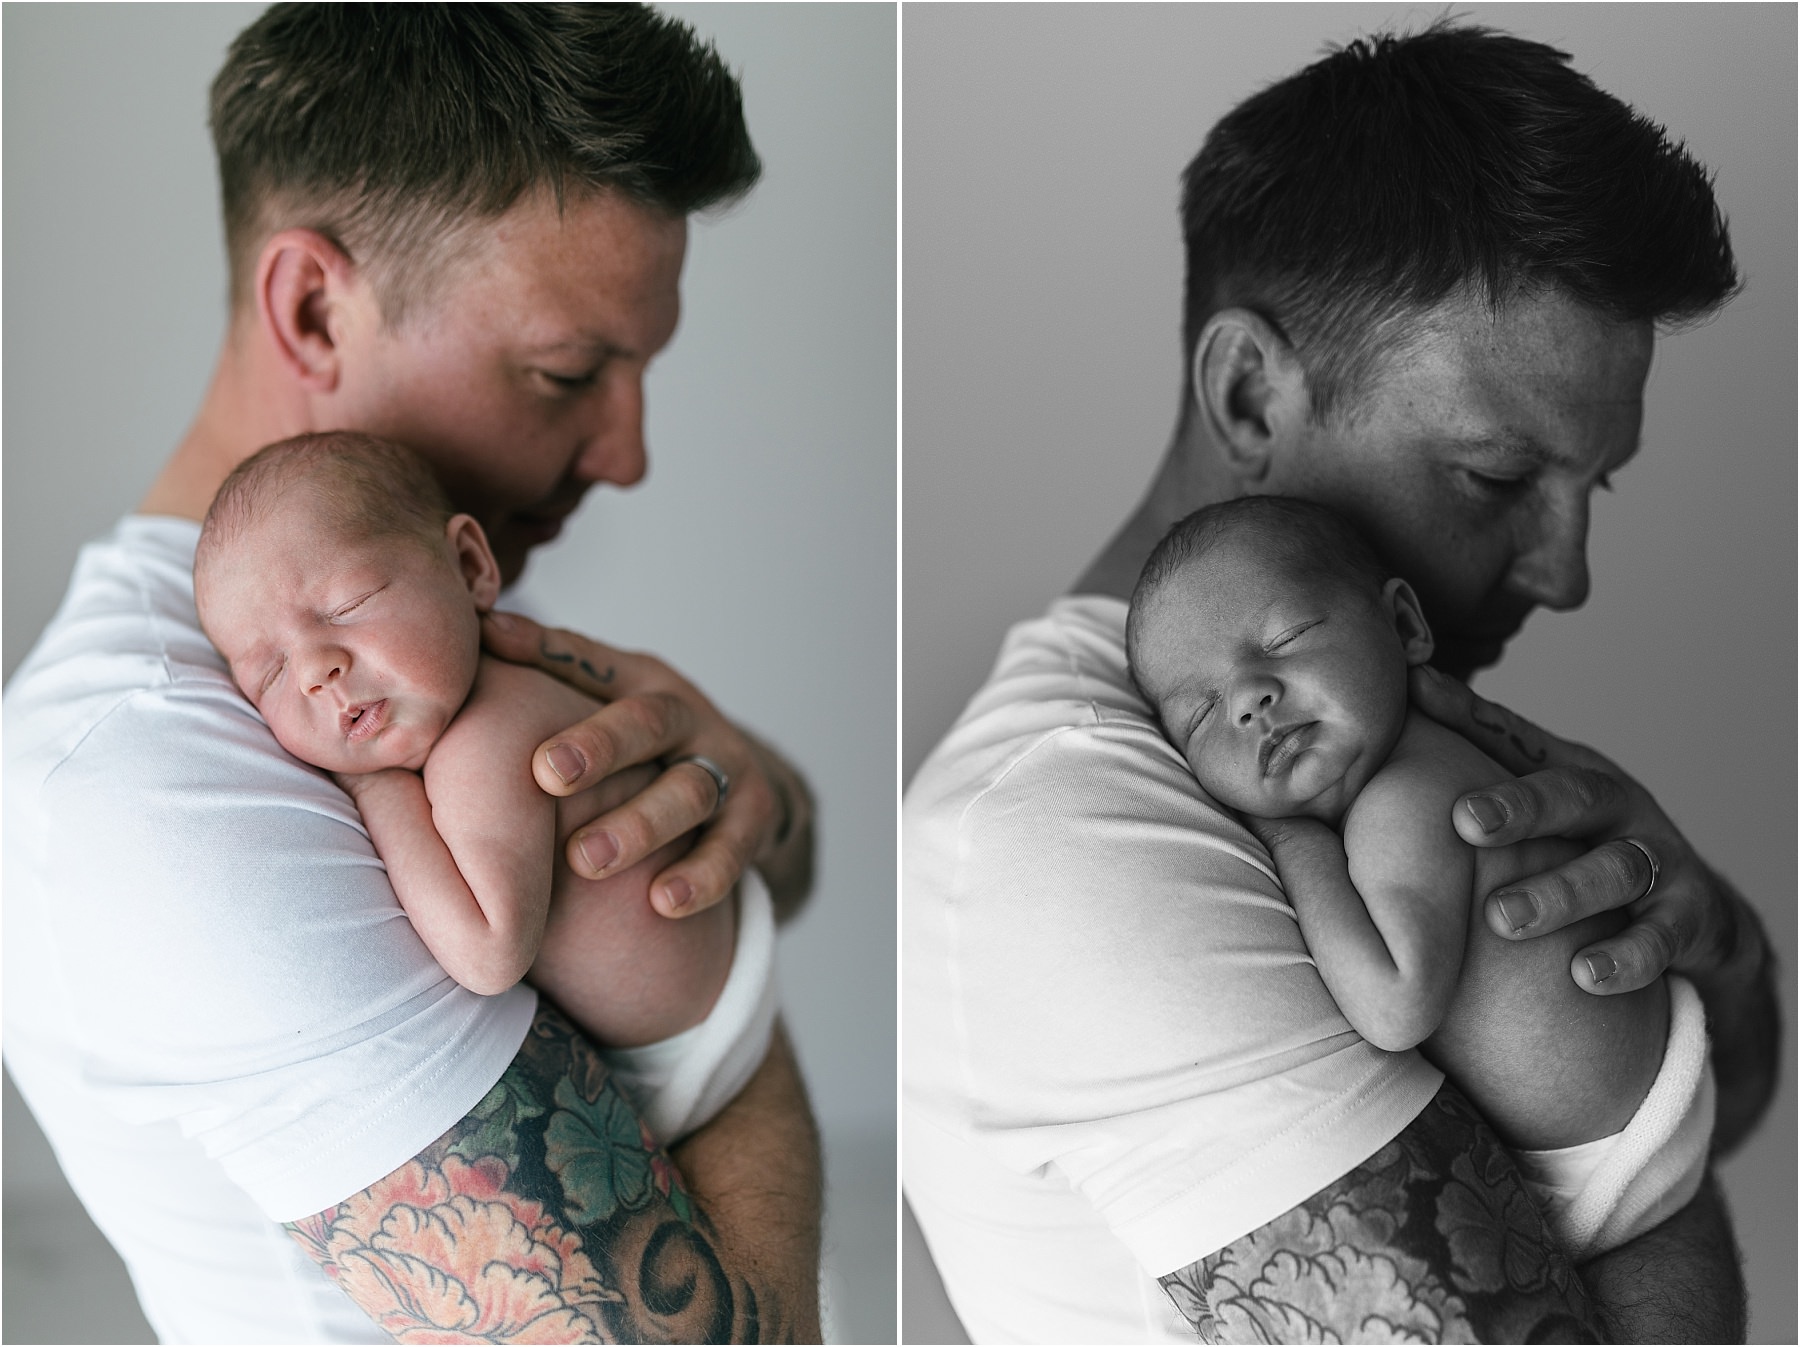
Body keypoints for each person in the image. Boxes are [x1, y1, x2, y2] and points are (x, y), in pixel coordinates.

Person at [903, 22, 1778, 1344]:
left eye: (1591, 487)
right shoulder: (1068, 825)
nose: (1567, 570)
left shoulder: (1380, 737)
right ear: (1253, 394)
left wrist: (1724, 959)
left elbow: (1702, 1109)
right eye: (1494, 476)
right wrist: (1647, 1169)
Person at [5, 7, 823, 1342]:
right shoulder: (151, 780)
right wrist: (735, 1028)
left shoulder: (424, 615)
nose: (627, 452)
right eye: (569, 370)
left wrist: (750, 793)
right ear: (315, 307)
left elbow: (783, 855)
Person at [1127, 496, 1713, 1261]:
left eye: (1286, 637)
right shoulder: (1397, 786)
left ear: (1403, 626)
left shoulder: (1405, 798)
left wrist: (1290, 841)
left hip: (1609, 1158)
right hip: (1628, 1111)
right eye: (1201, 714)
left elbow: (1394, 1003)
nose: (1247, 697)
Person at [194, 431, 776, 1146]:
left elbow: (487, 952)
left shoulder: (491, 737)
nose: (316, 668)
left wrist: (374, 792)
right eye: (268, 673)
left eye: (347, 604)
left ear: (469, 565)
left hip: (696, 1052)